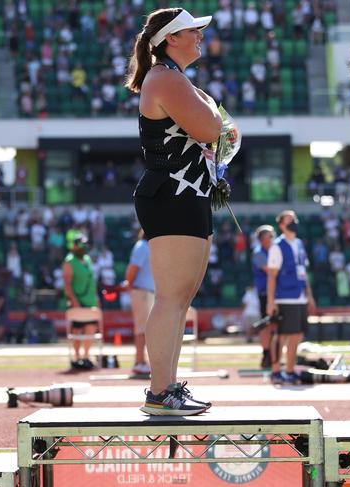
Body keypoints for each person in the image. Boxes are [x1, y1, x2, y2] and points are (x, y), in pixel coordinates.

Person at [126, 8, 222, 415]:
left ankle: (167, 387)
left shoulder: (171, 77)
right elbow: (213, 129)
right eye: (191, 31)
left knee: (179, 299)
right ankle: (160, 390)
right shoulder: (166, 78)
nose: (199, 36)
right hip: (173, 193)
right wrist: (214, 110)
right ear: (170, 38)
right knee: (171, 298)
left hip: (186, 192)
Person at [266, 210, 316, 385]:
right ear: (281, 225)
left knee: (297, 335)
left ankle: (289, 370)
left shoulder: (300, 244)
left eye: (294, 219)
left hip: (300, 296)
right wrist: (271, 301)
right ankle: (275, 371)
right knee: (281, 335)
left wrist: (309, 296)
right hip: (285, 297)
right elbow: (272, 276)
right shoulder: (277, 246)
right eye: (289, 220)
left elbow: (303, 272)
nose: (293, 222)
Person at [62, 233, 100, 370]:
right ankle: (77, 357)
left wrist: (96, 299)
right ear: (75, 245)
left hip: (90, 301)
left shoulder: (88, 259)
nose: (83, 247)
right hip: (77, 301)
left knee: (91, 329)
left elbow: (92, 281)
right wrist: (74, 300)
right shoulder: (69, 261)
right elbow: (67, 283)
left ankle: (86, 356)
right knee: (77, 331)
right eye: (81, 244)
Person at [121, 229, 154, 376]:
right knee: (142, 329)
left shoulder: (146, 246)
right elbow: (133, 269)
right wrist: (129, 284)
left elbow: (133, 270)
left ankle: (142, 361)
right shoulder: (143, 246)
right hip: (142, 291)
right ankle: (139, 362)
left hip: (146, 291)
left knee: (146, 329)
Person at [251, 225, 276, 367]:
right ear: (262, 239)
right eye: (270, 236)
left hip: (276, 293)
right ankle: (266, 353)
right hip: (265, 293)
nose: (273, 238)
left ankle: (273, 354)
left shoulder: (274, 250)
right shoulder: (258, 253)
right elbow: (271, 271)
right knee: (266, 324)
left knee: (274, 324)